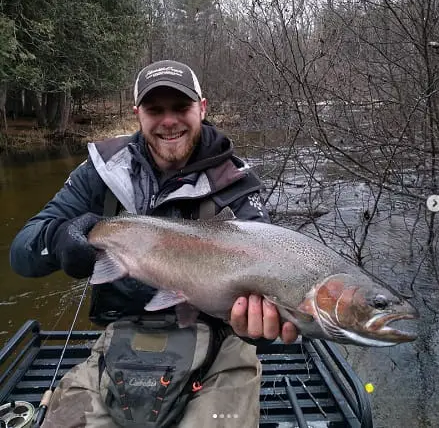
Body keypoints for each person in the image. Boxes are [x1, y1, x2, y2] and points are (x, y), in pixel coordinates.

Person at [10, 60, 298, 428]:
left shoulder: (236, 186)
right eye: (155, 110)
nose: (169, 121)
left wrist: (261, 329)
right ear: (137, 114)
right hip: (121, 340)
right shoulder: (101, 171)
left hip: (219, 343)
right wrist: (60, 240)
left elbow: (271, 289)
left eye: (181, 108)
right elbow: (22, 253)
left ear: (202, 109)